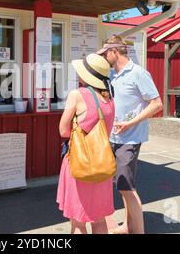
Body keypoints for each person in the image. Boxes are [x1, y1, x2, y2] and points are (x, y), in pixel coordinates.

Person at [97, 36, 163, 234]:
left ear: (114, 52)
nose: (103, 56)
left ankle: (138, 231)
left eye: (105, 53)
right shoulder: (111, 75)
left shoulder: (138, 73)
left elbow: (157, 104)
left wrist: (130, 123)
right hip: (112, 138)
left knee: (126, 186)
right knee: (122, 186)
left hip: (130, 138)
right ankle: (128, 226)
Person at [57, 53, 115, 234]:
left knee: (78, 222)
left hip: (80, 163)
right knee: (99, 220)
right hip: (102, 163)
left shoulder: (77, 95)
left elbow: (63, 131)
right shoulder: (109, 99)